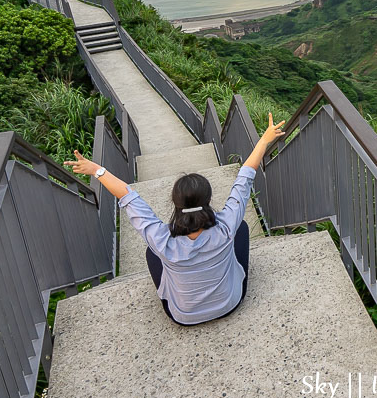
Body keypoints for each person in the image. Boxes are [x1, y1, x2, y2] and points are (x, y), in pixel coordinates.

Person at [64, 113, 286, 325]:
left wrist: (96, 170)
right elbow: (244, 179)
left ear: (176, 204)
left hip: (182, 316)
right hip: (229, 304)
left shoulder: (162, 240)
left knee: (152, 253)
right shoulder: (226, 228)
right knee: (242, 228)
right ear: (208, 200)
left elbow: (127, 196)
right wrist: (264, 140)